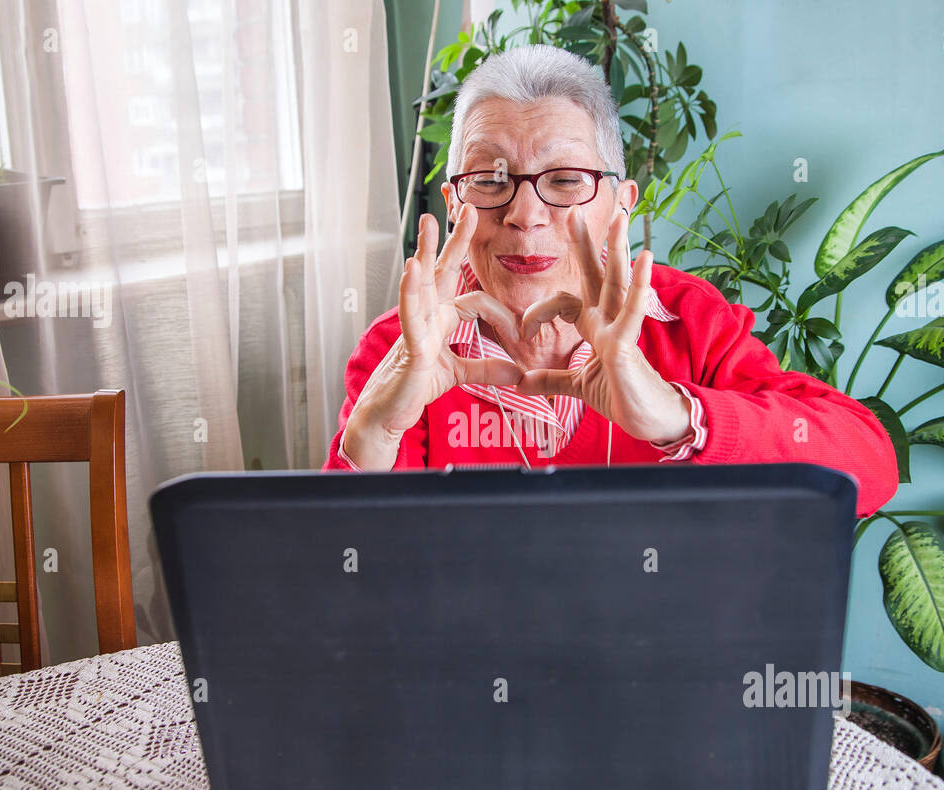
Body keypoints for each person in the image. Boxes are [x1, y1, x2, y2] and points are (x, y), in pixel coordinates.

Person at [323, 44, 897, 518]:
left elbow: (870, 468)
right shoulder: (399, 347)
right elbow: (341, 580)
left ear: (618, 207)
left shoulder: (689, 321)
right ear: (454, 205)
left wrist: (675, 415)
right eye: (491, 179)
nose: (525, 214)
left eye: (567, 179)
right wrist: (373, 434)